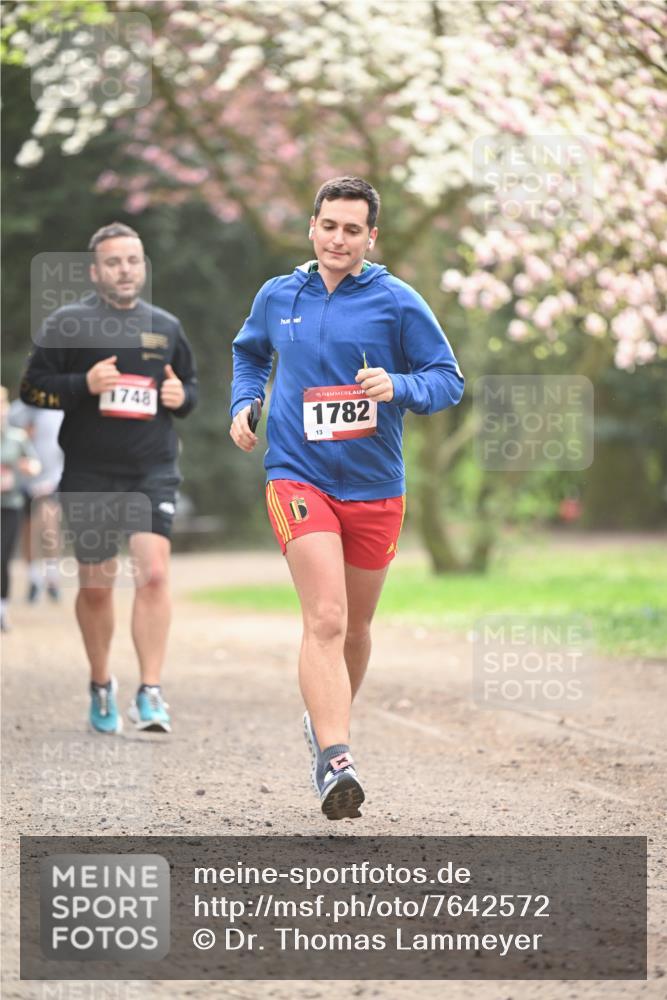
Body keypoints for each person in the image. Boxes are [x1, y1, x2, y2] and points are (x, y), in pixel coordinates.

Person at [229, 177, 464, 820]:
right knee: (326, 617)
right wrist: (244, 403)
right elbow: (249, 354)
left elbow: (448, 381)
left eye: (352, 229)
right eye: (328, 225)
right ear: (312, 226)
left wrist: (398, 385)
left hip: (375, 486)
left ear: (371, 237)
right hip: (296, 475)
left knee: (357, 627)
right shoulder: (280, 296)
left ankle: (321, 723)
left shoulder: (396, 301)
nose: (338, 238)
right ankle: (337, 758)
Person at [20, 222, 198, 734]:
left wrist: (179, 398)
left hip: (152, 468)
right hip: (90, 471)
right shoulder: (67, 324)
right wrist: (82, 384)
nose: (126, 270)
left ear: (143, 265)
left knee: (155, 574)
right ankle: (102, 683)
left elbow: (190, 389)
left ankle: (151, 691)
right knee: (97, 588)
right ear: (96, 270)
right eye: (115, 262)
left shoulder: (164, 326)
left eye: (134, 260)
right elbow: (35, 390)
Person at [9, 399, 64, 603]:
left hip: (50, 479)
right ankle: (33, 579)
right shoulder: (16, 411)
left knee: (49, 527)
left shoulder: (56, 410)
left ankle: (52, 578)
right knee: (28, 531)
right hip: (22, 481)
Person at [1, 387, 41, 631]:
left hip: (10, 505)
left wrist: (29, 468)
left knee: (2, 558)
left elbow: (35, 463)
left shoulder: (17, 437)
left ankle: (2, 610)